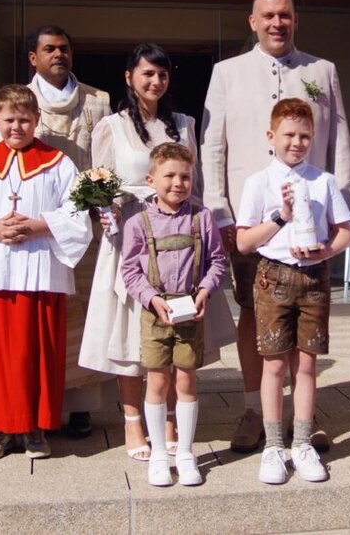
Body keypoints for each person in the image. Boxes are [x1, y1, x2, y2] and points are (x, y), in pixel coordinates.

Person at [201, 0, 350, 453]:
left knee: (305, 319)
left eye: (285, 15)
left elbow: (341, 140)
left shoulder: (321, 70)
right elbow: (213, 145)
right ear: (253, 21)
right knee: (255, 315)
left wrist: (339, 205)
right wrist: (221, 212)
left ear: (295, 19)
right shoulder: (226, 72)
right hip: (253, 220)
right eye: (267, 15)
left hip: (312, 221)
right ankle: (253, 410)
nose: (276, 23)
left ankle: (301, 416)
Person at [79, 44, 234, 462]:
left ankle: (168, 415)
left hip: (180, 240)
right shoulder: (110, 126)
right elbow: (100, 187)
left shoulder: (183, 123)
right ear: (129, 77)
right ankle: (133, 422)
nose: (155, 82)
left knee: (178, 331)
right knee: (131, 334)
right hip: (131, 235)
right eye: (147, 74)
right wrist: (107, 209)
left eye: (162, 75)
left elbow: (194, 184)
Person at [0, 84, 93, 461]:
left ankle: (34, 429)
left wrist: (37, 226)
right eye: (9, 119)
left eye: (25, 119)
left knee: (33, 354)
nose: (17, 127)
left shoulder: (58, 164)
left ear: (37, 120)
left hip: (39, 273)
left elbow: (77, 216)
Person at [236, 98, 350, 484]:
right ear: (271, 136)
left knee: (306, 364)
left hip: (313, 278)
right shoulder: (257, 182)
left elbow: (345, 232)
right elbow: (244, 243)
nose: (297, 142)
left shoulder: (323, 181)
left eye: (304, 135)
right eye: (289, 134)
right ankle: (273, 446)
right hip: (273, 277)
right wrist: (280, 218)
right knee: (273, 363)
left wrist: (326, 250)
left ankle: (301, 441)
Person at [15, 25, 113, 439]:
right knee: (43, 316)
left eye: (65, 49)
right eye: (49, 49)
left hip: (85, 225)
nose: (59, 55)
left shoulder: (98, 100)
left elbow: (106, 160)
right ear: (33, 58)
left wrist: (97, 203)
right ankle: (40, 402)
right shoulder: (19, 98)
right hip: (38, 227)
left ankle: (81, 408)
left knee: (85, 313)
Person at [120, 142, 227, 487]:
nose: (178, 183)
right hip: (155, 313)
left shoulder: (201, 217)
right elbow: (131, 272)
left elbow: (217, 262)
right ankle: (160, 457)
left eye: (185, 176)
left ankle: (185, 452)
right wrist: (152, 299)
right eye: (169, 176)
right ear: (151, 180)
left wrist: (205, 291)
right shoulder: (138, 223)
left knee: (186, 380)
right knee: (157, 380)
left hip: (190, 313)